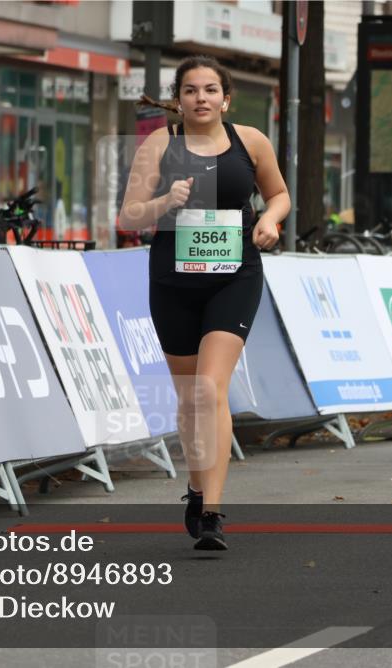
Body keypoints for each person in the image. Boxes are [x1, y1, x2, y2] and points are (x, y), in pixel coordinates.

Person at [119, 55, 289, 550]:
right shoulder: (161, 143)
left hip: (234, 275)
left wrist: (270, 221)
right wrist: (164, 202)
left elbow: (278, 194)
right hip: (173, 278)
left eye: (211, 90)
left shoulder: (250, 141)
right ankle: (195, 487)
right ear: (180, 99)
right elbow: (129, 213)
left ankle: (212, 512)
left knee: (212, 389)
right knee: (191, 396)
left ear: (226, 98)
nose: (201, 98)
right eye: (191, 90)